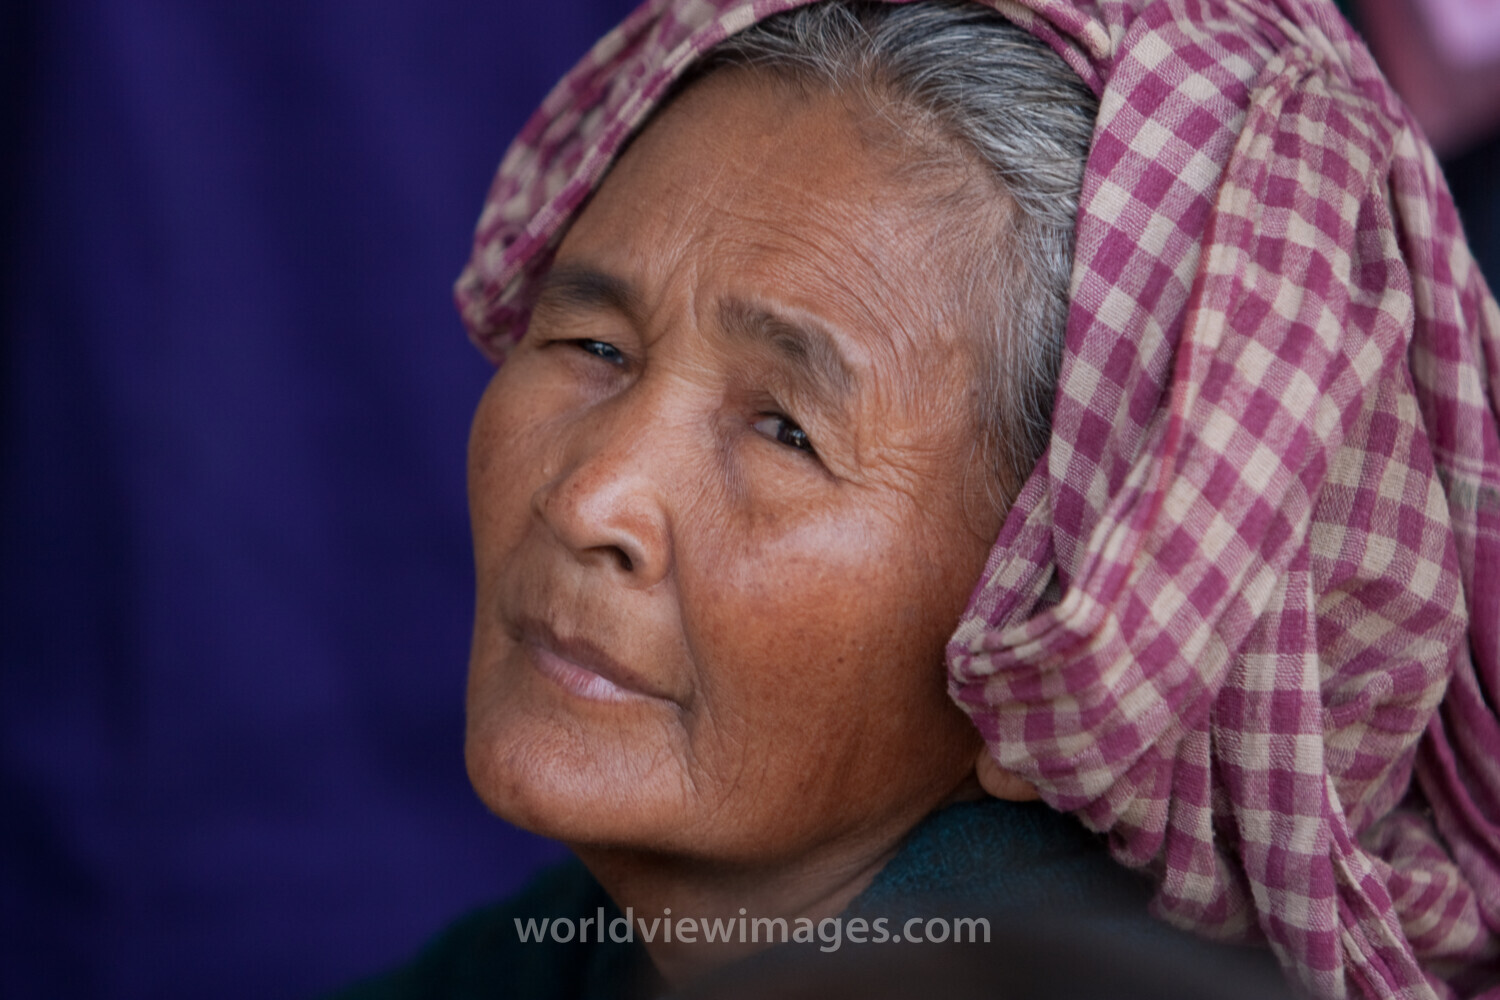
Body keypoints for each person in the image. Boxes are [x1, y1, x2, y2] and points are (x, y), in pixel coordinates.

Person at [337, 0, 1500, 997]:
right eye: (594, 345)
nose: (594, 495)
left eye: (787, 430)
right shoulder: (586, 950)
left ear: (1051, 624)